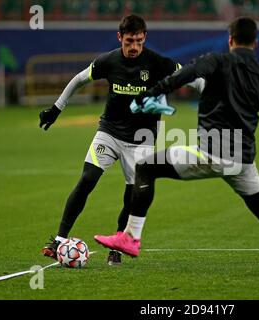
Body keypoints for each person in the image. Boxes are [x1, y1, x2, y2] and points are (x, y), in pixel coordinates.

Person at [94, 17, 259, 289]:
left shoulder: (217, 60)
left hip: (211, 152)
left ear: (230, 39)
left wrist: (155, 91)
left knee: (146, 167)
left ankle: (131, 236)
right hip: (242, 161)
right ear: (255, 43)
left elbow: (186, 74)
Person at [39, 14, 204, 265]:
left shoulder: (158, 62)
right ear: (120, 38)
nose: (134, 46)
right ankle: (59, 241)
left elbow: (192, 78)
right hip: (109, 132)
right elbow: (79, 80)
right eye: (129, 41)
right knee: (87, 179)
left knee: (132, 194)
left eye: (138, 40)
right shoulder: (109, 61)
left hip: (141, 140)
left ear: (145, 38)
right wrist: (56, 108)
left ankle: (116, 245)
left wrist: (216, 93)